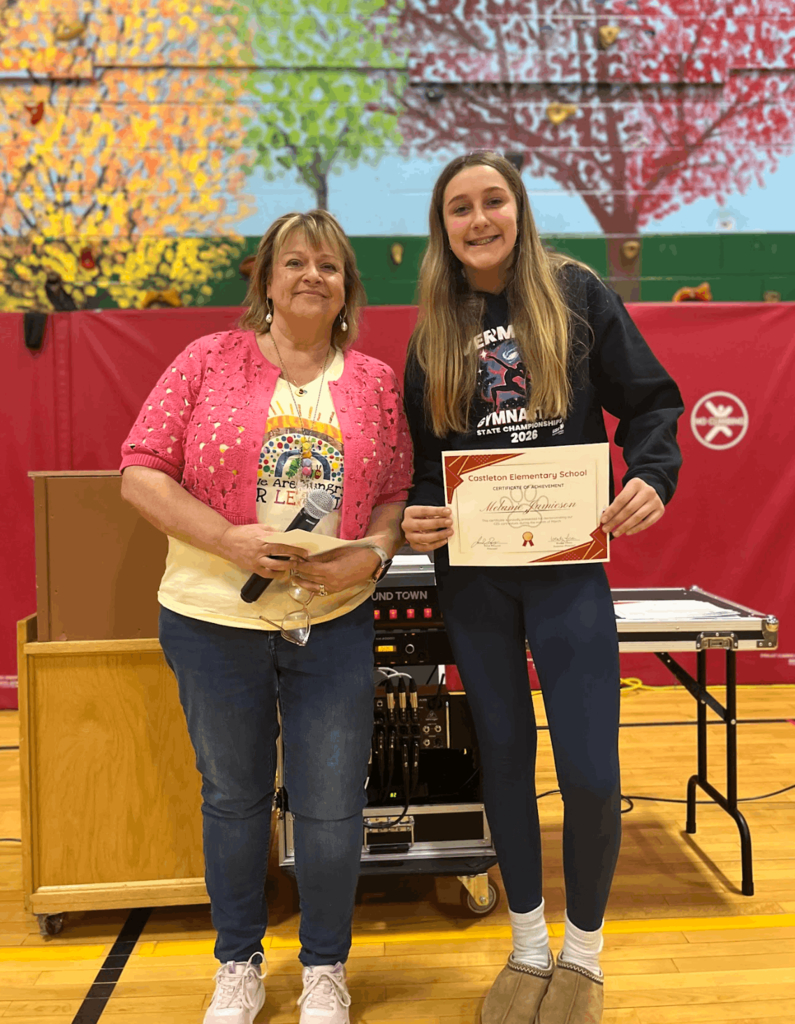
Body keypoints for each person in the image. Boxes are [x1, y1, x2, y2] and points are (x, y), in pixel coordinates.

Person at [401, 152, 683, 1024]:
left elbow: (652, 404)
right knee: (506, 764)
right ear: (440, 228)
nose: (479, 219)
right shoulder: (431, 332)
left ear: (518, 208)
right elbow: (421, 473)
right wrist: (418, 517)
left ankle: (584, 960)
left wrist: (651, 476)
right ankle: (526, 950)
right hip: (475, 580)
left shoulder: (577, 294)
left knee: (593, 772)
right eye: (459, 208)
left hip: (565, 570)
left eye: (493, 201)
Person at [120, 210, 412, 1024]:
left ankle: (324, 967)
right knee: (234, 799)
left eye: (327, 264)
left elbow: (395, 488)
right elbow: (140, 473)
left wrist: (374, 553)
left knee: (329, 806)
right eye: (294, 262)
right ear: (266, 279)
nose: (310, 275)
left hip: (336, 620)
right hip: (212, 618)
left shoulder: (376, 383)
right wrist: (227, 539)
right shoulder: (205, 360)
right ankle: (237, 962)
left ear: (347, 285)